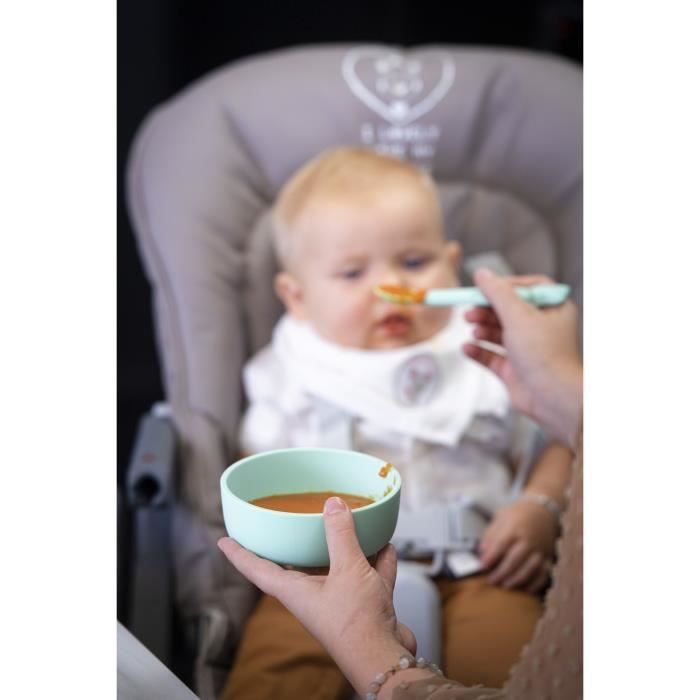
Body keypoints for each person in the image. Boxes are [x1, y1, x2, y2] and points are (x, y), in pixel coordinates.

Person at [218, 147, 573, 700]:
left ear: (451, 263)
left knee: (516, 668)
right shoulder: (292, 372)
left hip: (480, 565)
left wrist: (540, 507)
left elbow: (558, 440)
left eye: (412, 263)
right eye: (352, 272)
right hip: (320, 576)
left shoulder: (489, 348)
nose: (387, 286)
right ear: (297, 296)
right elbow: (256, 477)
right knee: (277, 676)